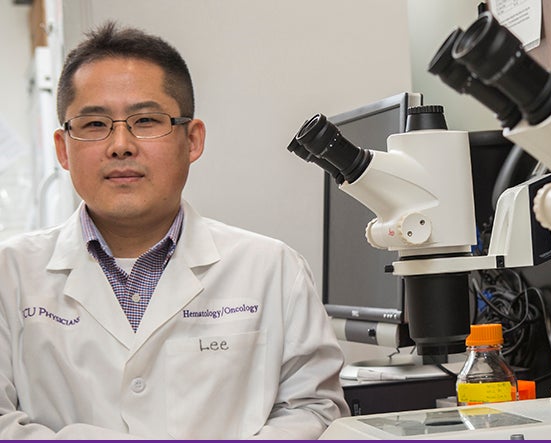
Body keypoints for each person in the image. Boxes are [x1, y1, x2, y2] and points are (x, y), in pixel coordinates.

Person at [0, 21, 350, 439]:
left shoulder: (272, 269)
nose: (120, 145)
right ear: (63, 148)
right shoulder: (11, 274)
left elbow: (314, 407)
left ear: (192, 140)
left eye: (146, 120)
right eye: (94, 125)